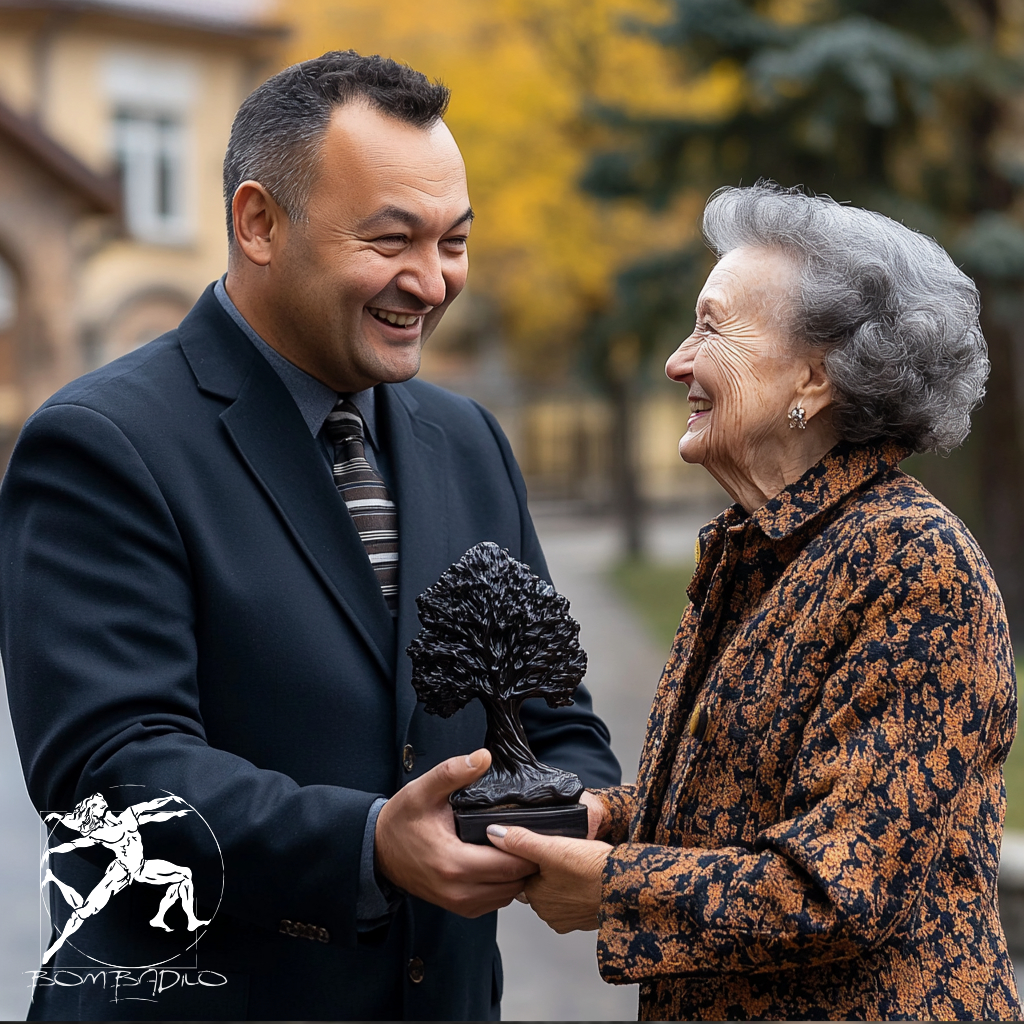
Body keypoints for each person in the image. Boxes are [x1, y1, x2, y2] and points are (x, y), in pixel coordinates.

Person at [0, 52, 620, 1020]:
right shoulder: (102, 443)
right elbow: (113, 773)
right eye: (390, 239)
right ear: (258, 222)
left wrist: (579, 809)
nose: (431, 280)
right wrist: (369, 843)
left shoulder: (467, 440)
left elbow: (553, 717)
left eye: (454, 240)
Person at [487, 182, 1023, 1021]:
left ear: (816, 375)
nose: (676, 359)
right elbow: (736, 812)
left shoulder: (913, 563)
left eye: (711, 325)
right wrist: (606, 819)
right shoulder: (762, 549)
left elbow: (838, 887)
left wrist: (615, 891)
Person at [41, 793, 209, 963]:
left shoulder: (128, 816)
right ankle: (58, 944)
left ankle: (187, 919)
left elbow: (150, 810)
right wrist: (52, 850)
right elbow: (76, 843)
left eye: (101, 799)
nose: (101, 798)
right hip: (120, 872)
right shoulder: (101, 833)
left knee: (184, 875)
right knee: (84, 911)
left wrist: (172, 808)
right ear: (95, 811)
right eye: (98, 802)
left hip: (141, 867)